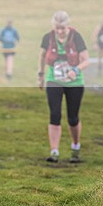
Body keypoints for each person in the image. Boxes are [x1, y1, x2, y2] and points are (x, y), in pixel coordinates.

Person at [38, 11, 89, 163]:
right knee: (54, 115)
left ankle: (75, 146)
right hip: (54, 80)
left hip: (74, 82)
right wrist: (40, 75)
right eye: (57, 28)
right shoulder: (48, 38)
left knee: (73, 117)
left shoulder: (76, 37)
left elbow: (86, 60)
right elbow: (42, 56)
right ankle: (54, 151)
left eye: (62, 28)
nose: (60, 31)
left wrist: (75, 70)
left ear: (68, 25)